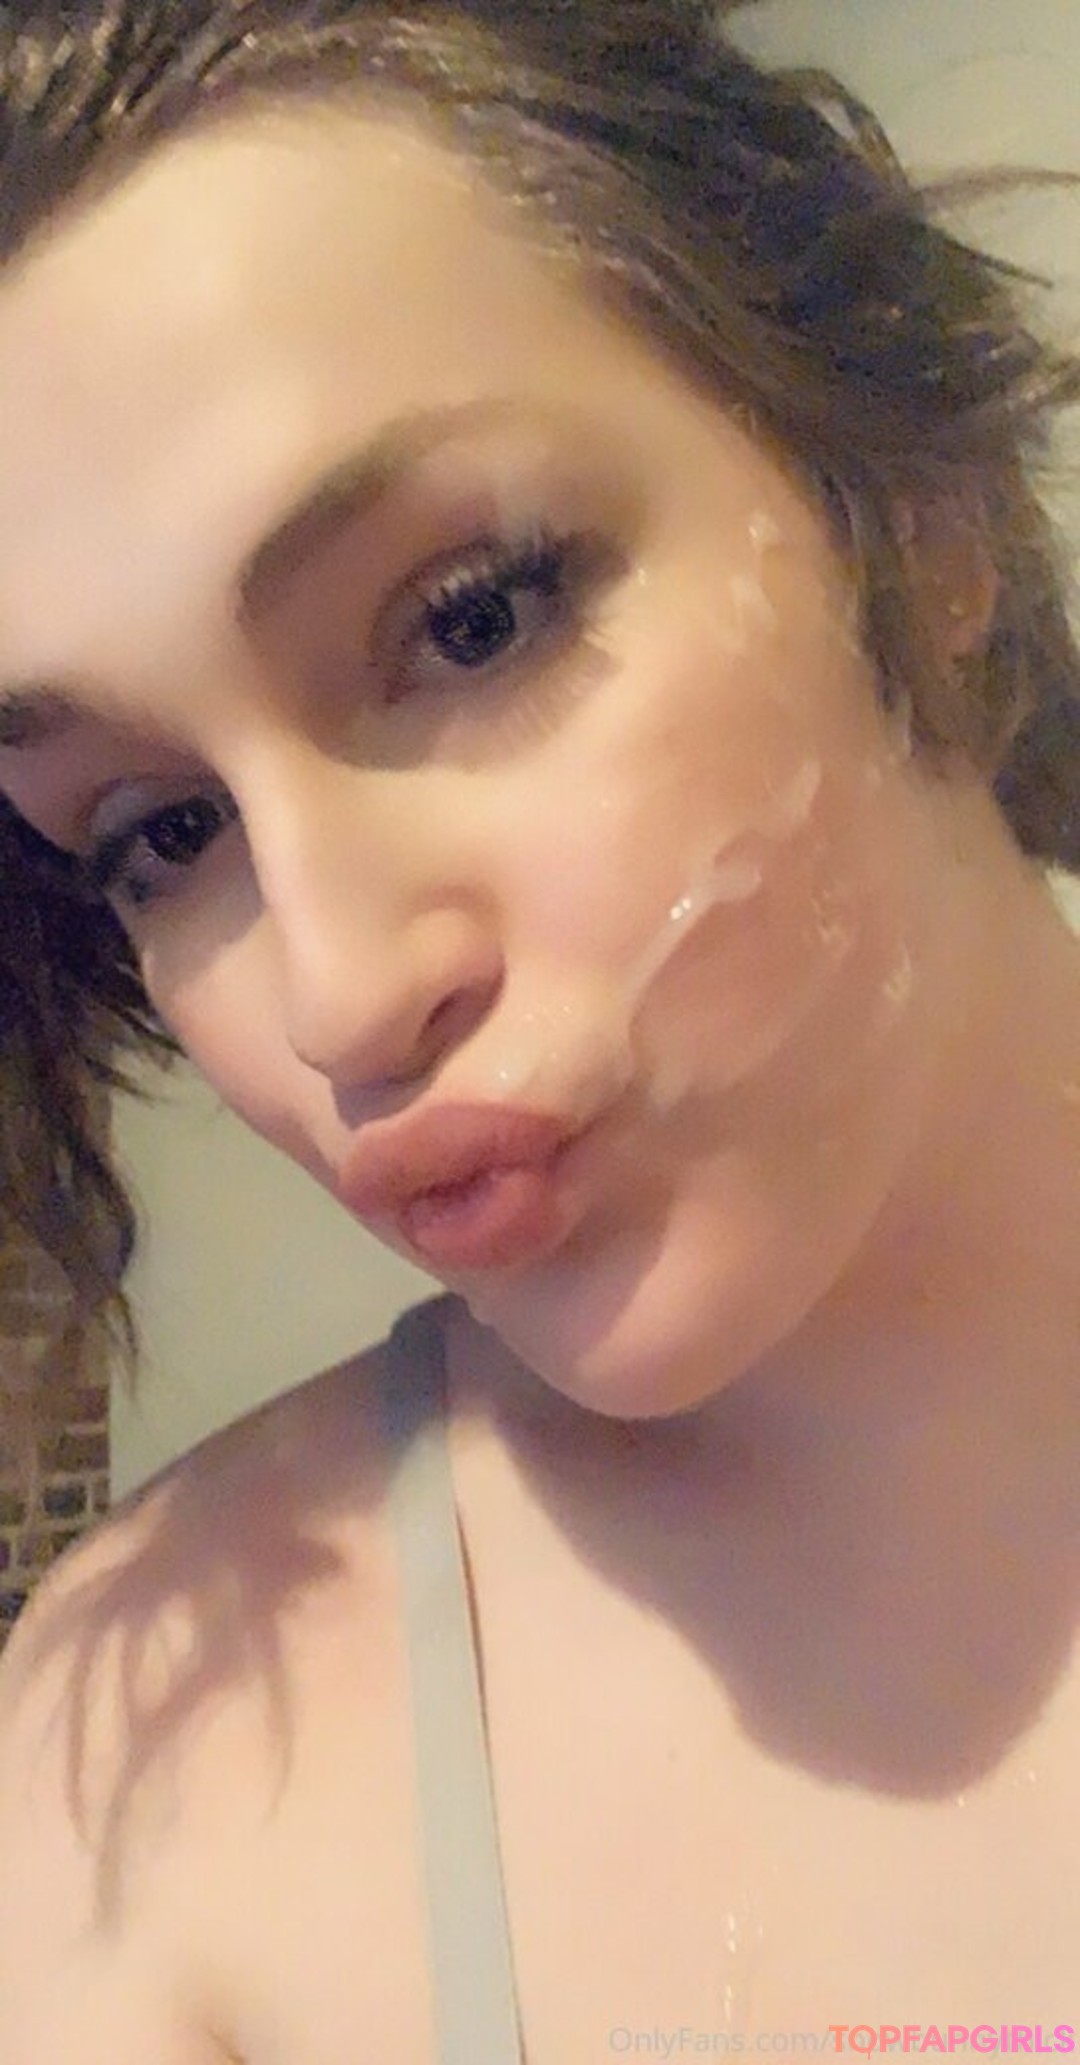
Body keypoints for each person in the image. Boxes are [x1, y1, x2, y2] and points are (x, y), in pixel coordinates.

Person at [0, 0, 1078, 2053]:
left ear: (917, 515)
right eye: (161, 831)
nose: (335, 996)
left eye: (472, 617)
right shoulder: (150, 1790)